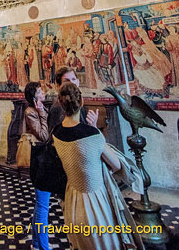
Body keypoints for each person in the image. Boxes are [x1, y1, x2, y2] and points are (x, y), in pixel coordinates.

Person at [53, 82, 143, 250]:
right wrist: (94, 128)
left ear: (60, 102)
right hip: (94, 202)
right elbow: (117, 166)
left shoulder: (56, 132)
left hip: (72, 199)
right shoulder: (91, 134)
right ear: (81, 102)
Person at [23, 81, 50, 250]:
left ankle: (35, 244)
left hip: (44, 159)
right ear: (34, 98)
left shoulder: (39, 110)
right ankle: (44, 247)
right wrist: (41, 113)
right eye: (40, 92)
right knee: (42, 206)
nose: (44, 93)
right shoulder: (31, 112)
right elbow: (44, 136)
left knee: (41, 205)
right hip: (40, 161)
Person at [48, 66, 98, 131]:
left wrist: (93, 126)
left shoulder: (79, 103)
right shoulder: (57, 108)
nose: (72, 83)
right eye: (67, 81)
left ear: (78, 82)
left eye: (73, 79)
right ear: (58, 86)